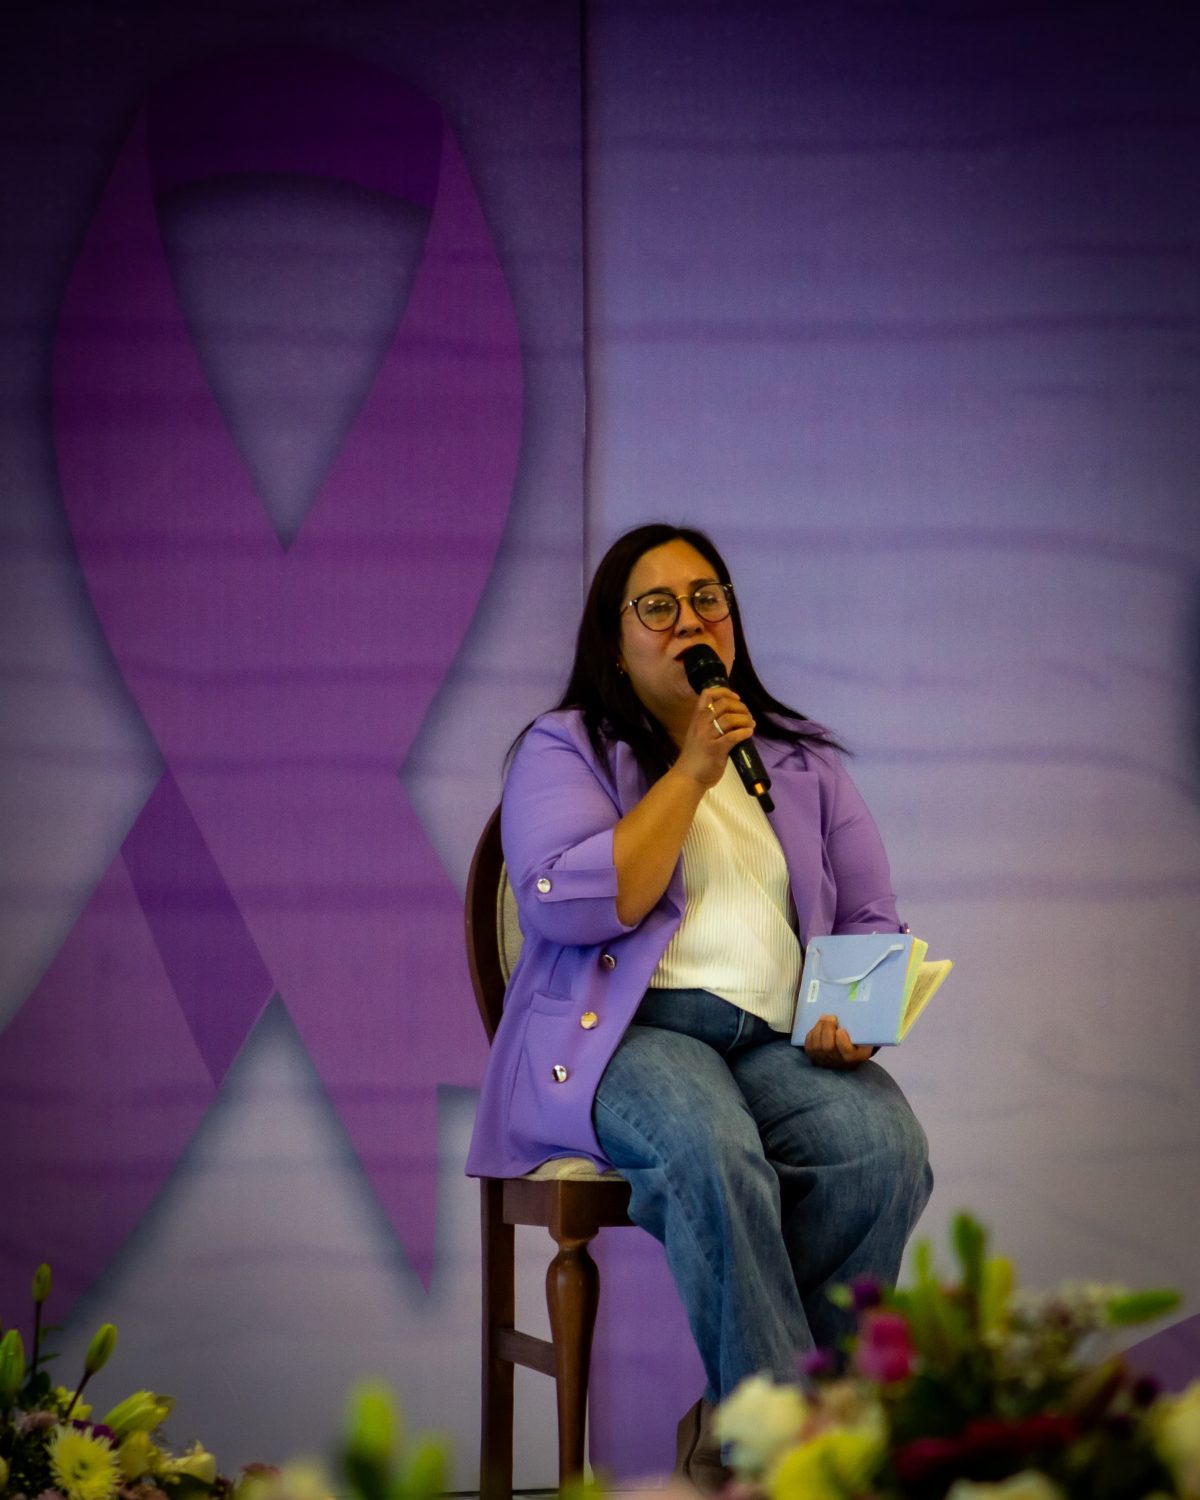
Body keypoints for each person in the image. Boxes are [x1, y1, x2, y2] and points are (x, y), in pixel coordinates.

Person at [466, 523, 932, 1488]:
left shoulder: (800, 763)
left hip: (775, 1042)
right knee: (713, 1149)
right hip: (630, 1035)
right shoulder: (568, 748)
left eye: (707, 598)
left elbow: (869, 916)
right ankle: (794, 1460)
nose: (689, 620)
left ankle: (743, 1427)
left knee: (883, 1149)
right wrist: (690, 771)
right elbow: (575, 903)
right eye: (658, 606)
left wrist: (853, 1019)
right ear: (615, 640)